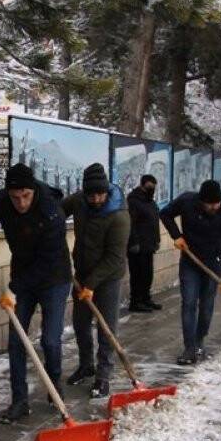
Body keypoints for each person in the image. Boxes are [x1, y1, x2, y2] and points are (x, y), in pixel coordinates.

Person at [0, 163, 72, 422]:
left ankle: (54, 383)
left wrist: (14, 290)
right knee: (16, 341)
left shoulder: (51, 212)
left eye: (26, 196)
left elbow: (47, 262)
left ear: (34, 190)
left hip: (54, 278)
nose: (21, 203)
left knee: (50, 340)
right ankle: (19, 401)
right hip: (23, 275)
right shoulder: (5, 201)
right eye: (15, 198)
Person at [63, 163, 131, 399]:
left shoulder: (118, 215)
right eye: (91, 195)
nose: (96, 200)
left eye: (100, 194)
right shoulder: (80, 201)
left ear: (106, 190)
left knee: (106, 326)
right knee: (81, 324)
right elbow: (58, 211)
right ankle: (86, 366)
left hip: (109, 277)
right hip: (82, 273)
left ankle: (103, 376)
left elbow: (114, 258)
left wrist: (91, 284)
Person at [160, 179, 221, 366]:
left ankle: (199, 341)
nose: (213, 207)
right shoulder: (187, 201)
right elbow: (165, 214)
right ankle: (189, 348)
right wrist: (176, 235)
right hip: (190, 262)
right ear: (201, 200)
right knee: (188, 302)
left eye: (216, 203)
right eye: (209, 203)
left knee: (206, 306)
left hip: (213, 264)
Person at [126, 174, 163, 312]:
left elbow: (154, 222)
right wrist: (133, 242)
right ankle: (135, 302)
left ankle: (146, 299)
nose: (152, 189)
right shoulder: (133, 201)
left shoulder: (150, 202)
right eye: (149, 187)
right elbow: (130, 223)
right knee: (137, 275)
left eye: (153, 187)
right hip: (137, 247)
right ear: (142, 185)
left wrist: (157, 240)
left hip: (149, 245)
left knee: (148, 275)